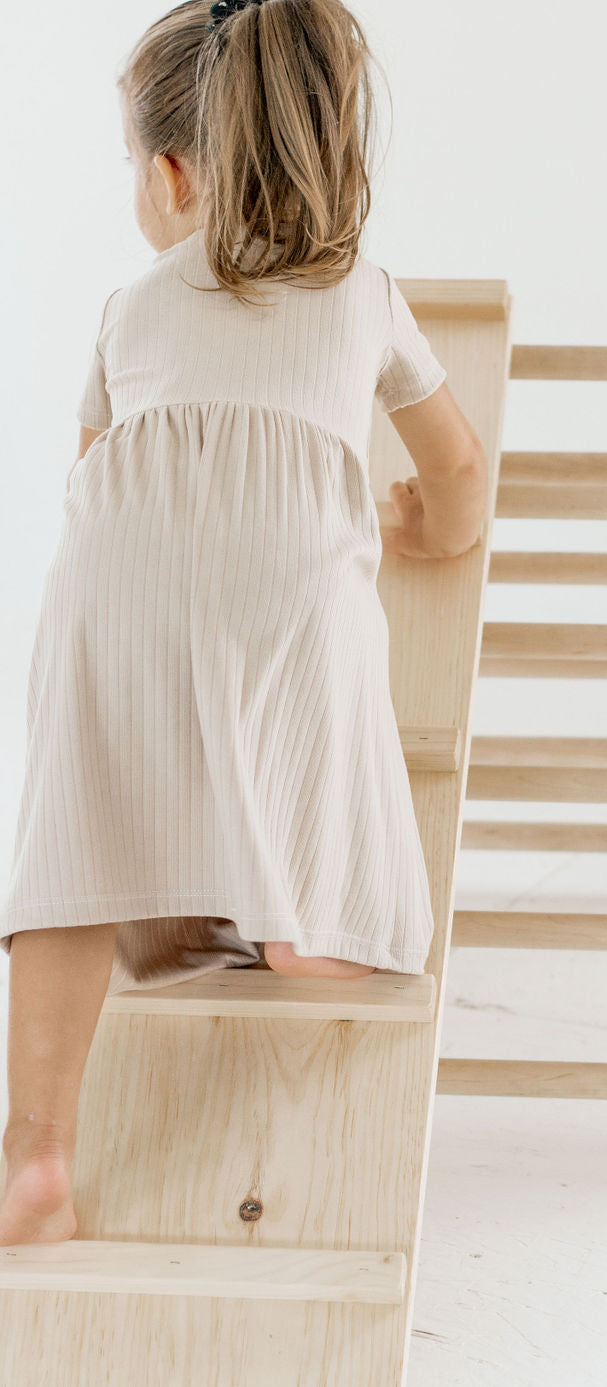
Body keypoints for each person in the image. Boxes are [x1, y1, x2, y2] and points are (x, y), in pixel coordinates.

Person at [0, 0, 489, 1244]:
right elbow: (458, 467)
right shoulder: (363, 295)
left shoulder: (129, 308)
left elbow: (93, 476)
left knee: (77, 829)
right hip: (291, 582)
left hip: (110, 581)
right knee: (307, 738)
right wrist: (434, 532)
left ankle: (37, 1154)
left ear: (169, 174)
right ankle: (303, 923)